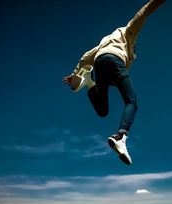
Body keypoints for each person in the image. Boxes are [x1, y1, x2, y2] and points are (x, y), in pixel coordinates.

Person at [63, 0, 166, 165]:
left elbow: (86, 56)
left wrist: (75, 74)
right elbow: (143, 13)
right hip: (114, 61)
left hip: (99, 63)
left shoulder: (105, 41)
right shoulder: (129, 32)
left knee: (102, 110)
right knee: (131, 101)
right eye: (133, 50)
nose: (132, 51)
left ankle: (89, 82)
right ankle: (121, 136)